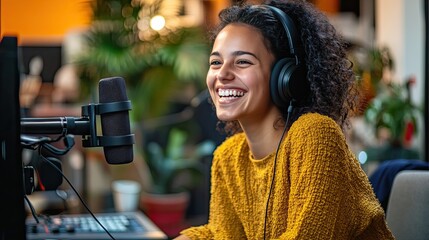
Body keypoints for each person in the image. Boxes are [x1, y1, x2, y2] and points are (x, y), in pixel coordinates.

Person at [176, 0, 395, 239]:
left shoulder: (315, 136)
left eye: (243, 62)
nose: (223, 74)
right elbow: (222, 234)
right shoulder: (228, 158)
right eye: (216, 62)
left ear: (285, 76)